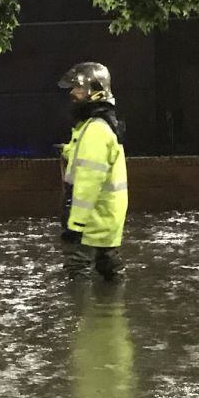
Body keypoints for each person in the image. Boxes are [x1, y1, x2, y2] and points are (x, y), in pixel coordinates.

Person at [57, 62, 128, 281]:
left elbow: (88, 183)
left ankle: (83, 314)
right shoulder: (100, 126)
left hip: (89, 225)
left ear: (94, 92)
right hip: (105, 221)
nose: (72, 93)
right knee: (111, 276)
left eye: (78, 88)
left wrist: (75, 226)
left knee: (77, 277)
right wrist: (69, 151)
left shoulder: (95, 130)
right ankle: (112, 312)